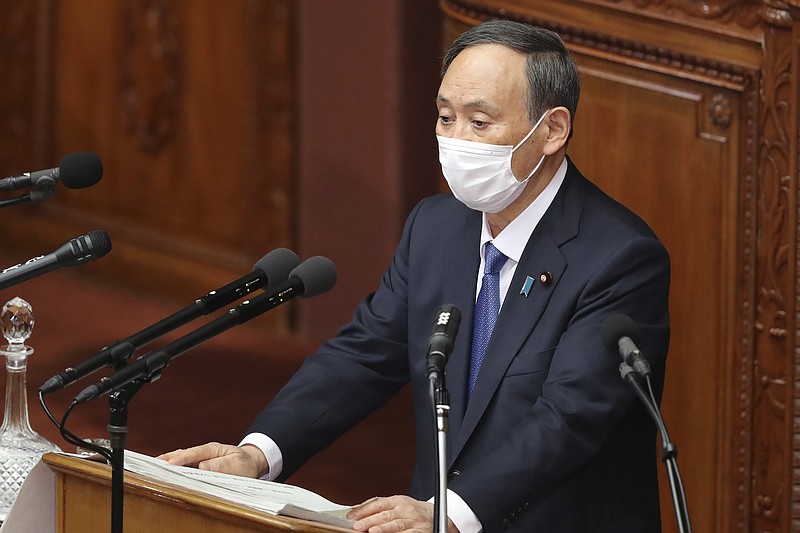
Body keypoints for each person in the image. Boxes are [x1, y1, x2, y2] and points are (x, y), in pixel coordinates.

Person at [161, 19, 670, 532]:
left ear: (552, 130)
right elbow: (363, 356)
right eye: (445, 117)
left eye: (480, 122)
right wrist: (259, 455)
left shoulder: (619, 257)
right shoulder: (436, 227)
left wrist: (450, 512)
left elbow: (569, 417)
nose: (455, 140)